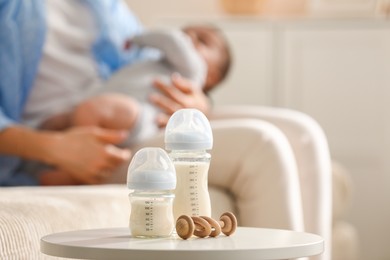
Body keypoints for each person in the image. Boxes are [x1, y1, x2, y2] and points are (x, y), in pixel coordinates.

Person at [0, 2, 331, 259]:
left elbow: (153, 59)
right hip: (84, 138)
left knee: (302, 132)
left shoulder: (103, 5)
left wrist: (201, 106)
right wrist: (50, 146)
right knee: (263, 144)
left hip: (143, 115)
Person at [27, 26, 231, 147]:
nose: (189, 37)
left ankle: (70, 160)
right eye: (187, 31)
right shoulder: (155, 63)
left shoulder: (191, 68)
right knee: (71, 116)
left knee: (92, 110)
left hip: (140, 115)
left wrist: (138, 39)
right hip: (110, 105)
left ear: (211, 76)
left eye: (202, 40)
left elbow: (173, 41)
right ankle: (62, 171)